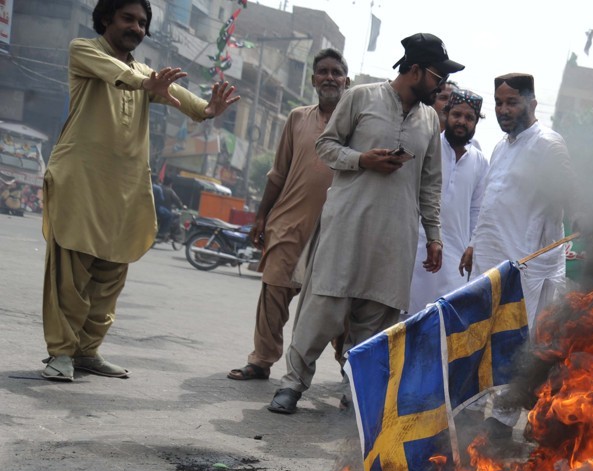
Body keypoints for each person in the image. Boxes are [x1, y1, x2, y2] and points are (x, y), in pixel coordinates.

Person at [40, 0, 238, 381]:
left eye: (142, 22)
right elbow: (121, 74)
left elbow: (186, 102)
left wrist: (209, 109)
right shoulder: (83, 50)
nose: (136, 27)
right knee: (70, 274)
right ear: (106, 19)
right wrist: (147, 83)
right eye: (128, 18)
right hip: (80, 182)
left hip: (126, 191)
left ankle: (87, 352)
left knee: (110, 275)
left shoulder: (147, 74)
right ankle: (61, 354)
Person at [267, 33, 463, 415]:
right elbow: (326, 146)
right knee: (324, 308)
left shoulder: (429, 121)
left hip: (396, 236)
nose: (442, 86)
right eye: (437, 77)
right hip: (348, 225)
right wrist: (362, 160)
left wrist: (434, 235)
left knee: (377, 319)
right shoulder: (361, 97)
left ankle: (354, 391)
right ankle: (292, 385)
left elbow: (431, 183)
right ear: (416, 70)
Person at [457, 73, 576, 439]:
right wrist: (475, 243)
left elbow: (571, 194)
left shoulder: (549, 145)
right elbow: (492, 203)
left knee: (518, 345)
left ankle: (502, 423)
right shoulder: (500, 147)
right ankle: (474, 408)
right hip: (489, 264)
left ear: (532, 104)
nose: (503, 110)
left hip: (529, 267)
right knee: (482, 336)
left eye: (512, 103)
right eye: (499, 103)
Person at [227, 48, 350, 381]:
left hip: (336, 229)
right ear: (313, 80)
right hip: (288, 221)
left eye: (336, 72)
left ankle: (351, 372)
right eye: (323, 71)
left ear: (346, 80)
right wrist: (261, 216)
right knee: (273, 291)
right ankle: (261, 359)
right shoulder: (298, 117)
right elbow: (277, 172)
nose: (329, 77)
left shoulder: (356, 120)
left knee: (338, 304)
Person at [406, 89, 488, 315]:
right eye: (457, 115)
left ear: (475, 123)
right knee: (404, 320)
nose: (462, 121)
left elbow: (477, 210)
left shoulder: (480, 162)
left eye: (469, 118)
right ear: (446, 114)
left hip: (454, 260)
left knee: (441, 323)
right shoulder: (428, 146)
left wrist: (472, 245)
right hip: (417, 249)